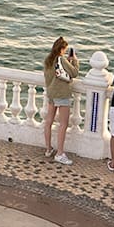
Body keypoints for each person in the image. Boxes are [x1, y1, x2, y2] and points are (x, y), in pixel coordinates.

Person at [42, 36, 80, 164]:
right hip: (62, 94)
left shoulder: (48, 60)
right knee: (63, 124)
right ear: (62, 49)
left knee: (49, 121)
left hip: (51, 93)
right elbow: (74, 73)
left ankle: (48, 149)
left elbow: (48, 77)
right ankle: (60, 153)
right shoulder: (61, 60)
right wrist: (74, 61)